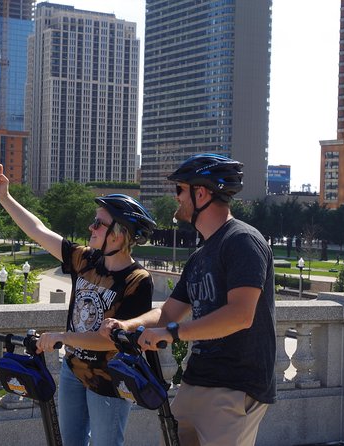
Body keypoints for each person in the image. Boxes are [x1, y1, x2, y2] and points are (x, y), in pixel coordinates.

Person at [101, 154, 276, 446]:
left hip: (236, 384)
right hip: (196, 380)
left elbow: (240, 315)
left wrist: (173, 334)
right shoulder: (200, 256)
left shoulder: (242, 241)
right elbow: (168, 312)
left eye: (180, 190)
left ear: (202, 193)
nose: (176, 198)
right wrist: (127, 325)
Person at [0, 165, 157, 446]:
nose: (91, 227)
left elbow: (113, 342)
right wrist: (4, 196)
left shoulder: (137, 280)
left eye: (99, 224)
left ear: (119, 233)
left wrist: (62, 337)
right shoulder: (85, 259)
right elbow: (38, 231)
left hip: (110, 379)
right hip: (72, 370)